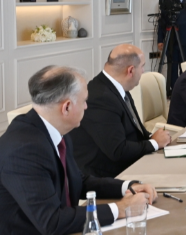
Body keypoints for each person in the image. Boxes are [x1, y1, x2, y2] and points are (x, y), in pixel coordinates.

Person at [0, 66, 157, 235]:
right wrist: (121, 208)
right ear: (66, 107)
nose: (86, 106)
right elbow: (52, 222)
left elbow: (76, 180)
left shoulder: (56, 128)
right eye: (84, 101)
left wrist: (128, 186)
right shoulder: (23, 151)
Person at [70, 45, 171, 178]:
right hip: (106, 176)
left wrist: (155, 138)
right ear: (131, 70)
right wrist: (154, 143)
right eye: (142, 66)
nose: (143, 71)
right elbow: (118, 150)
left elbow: (135, 132)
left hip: (128, 164)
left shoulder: (117, 87)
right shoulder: (101, 98)